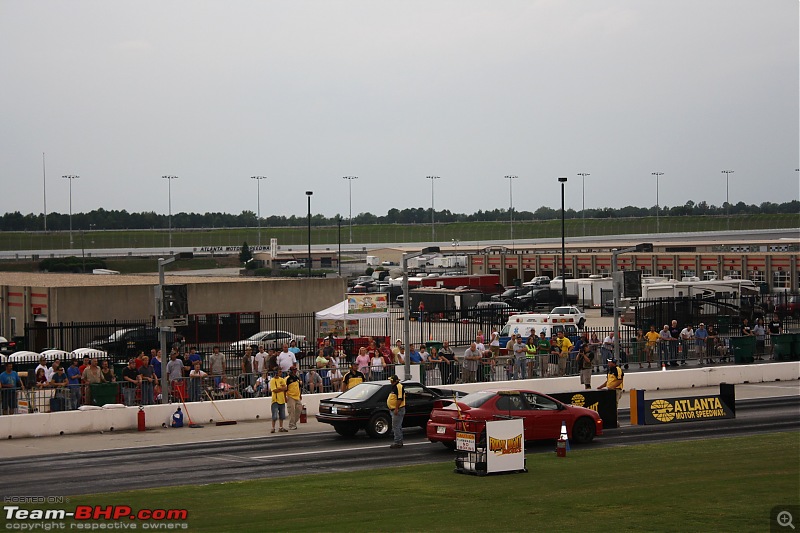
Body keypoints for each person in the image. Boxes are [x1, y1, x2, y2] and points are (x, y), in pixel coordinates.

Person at [387, 375, 405, 449]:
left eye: (391, 380)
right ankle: (399, 441)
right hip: (394, 409)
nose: (390, 381)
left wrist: (396, 408)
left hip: (398, 409)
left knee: (396, 426)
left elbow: (400, 398)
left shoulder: (399, 386)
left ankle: (397, 442)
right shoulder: (395, 386)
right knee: (397, 426)